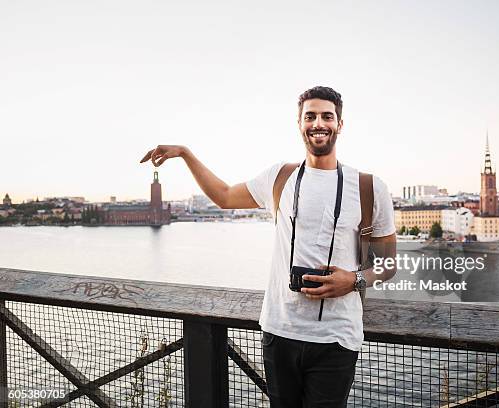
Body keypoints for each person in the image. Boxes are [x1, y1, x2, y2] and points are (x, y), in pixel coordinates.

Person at [140, 86, 397, 407]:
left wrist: (353, 281)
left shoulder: (370, 187)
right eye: (310, 116)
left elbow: (388, 266)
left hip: (337, 337)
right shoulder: (280, 177)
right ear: (300, 124)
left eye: (327, 116)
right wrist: (186, 154)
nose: (319, 123)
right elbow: (223, 196)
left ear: (340, 125)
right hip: (280, 332)